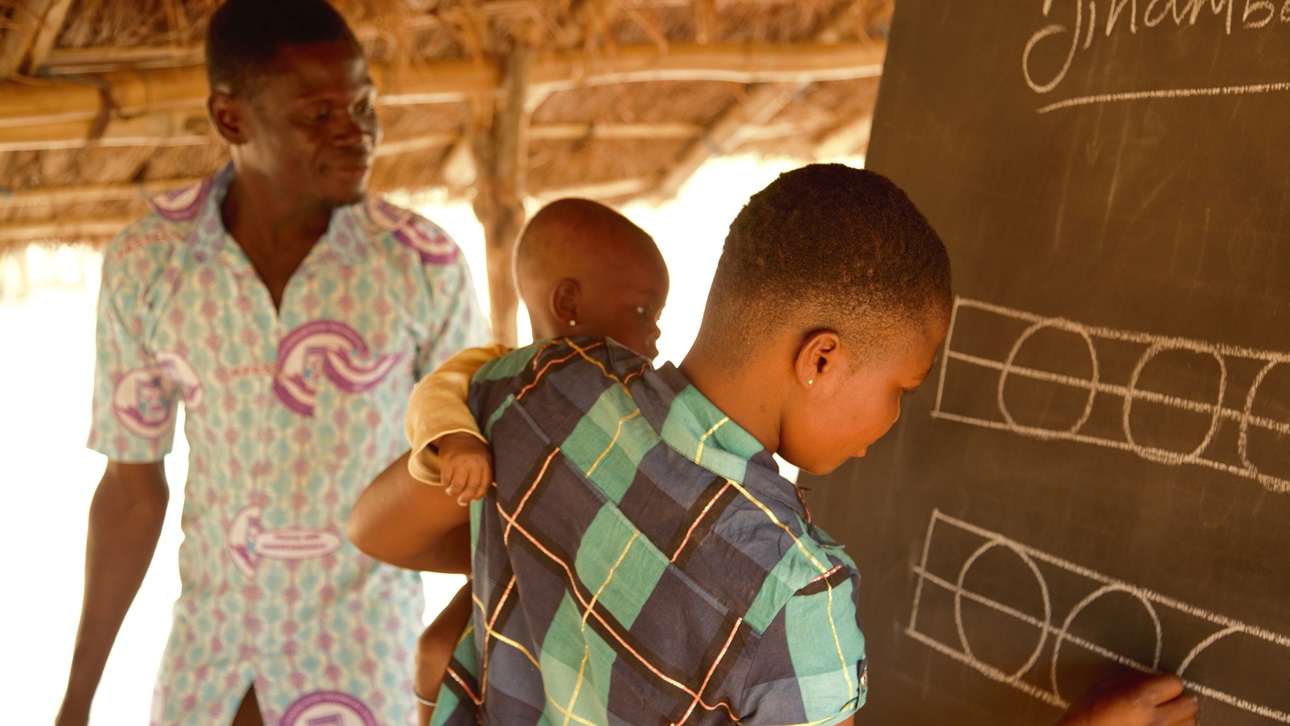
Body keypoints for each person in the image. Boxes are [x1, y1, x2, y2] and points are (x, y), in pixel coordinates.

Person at [377, 165, 1195, 725]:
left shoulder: (546, 384)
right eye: (900, 391)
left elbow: (378, 524)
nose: (892, 425)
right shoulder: (799, 598)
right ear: (823, 361)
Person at [55, 1, 488, 724]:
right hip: (209, 666)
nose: (356, 133)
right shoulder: (149, 263)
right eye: (319, 115)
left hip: (364, 669)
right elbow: (132, 492)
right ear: (231, 119)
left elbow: (474, 475)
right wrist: (77, 702)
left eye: (363, 104)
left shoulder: (422, 263)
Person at [346, 197, 669, 725]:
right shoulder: (496, 375)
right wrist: (457, 443)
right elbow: (435, 397)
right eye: (643, 311)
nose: (654, 332)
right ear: (569, 303)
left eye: (658, 317)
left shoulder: (634, 400)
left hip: (583, 574)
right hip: (515, 561)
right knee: (437, 650)